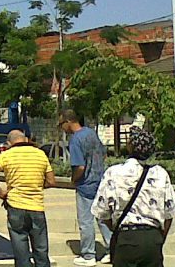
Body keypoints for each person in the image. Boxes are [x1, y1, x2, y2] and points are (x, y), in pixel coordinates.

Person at [91, 127, 175, 267]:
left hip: (126, 239)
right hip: (152, 238)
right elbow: (169, 213)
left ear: (130, 146)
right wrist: (159, 237)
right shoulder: (160, 174)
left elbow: (101, 212)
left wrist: (116, 228)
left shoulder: (113, 173)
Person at [0, 129, 57, 267]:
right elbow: (52, 181)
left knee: (21, 252)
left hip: (16, 206)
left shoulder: (6, 155)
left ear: (8, 143)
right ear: (25, 140)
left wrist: (1, 192)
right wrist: (36, 185)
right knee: (41, 250)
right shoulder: (40, 154)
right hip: (37, 207)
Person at [60, 110, 112, 266]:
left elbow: (80, 166)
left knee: (86, 221)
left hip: (85, 185)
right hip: (100, 182)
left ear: (69, 121)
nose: (62, 128)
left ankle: (88, 255)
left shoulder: (75, 140)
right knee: (103, 218)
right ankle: (112, 250)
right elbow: (103, 154)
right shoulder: (91, 133)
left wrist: (74, 180)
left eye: (61, 124)